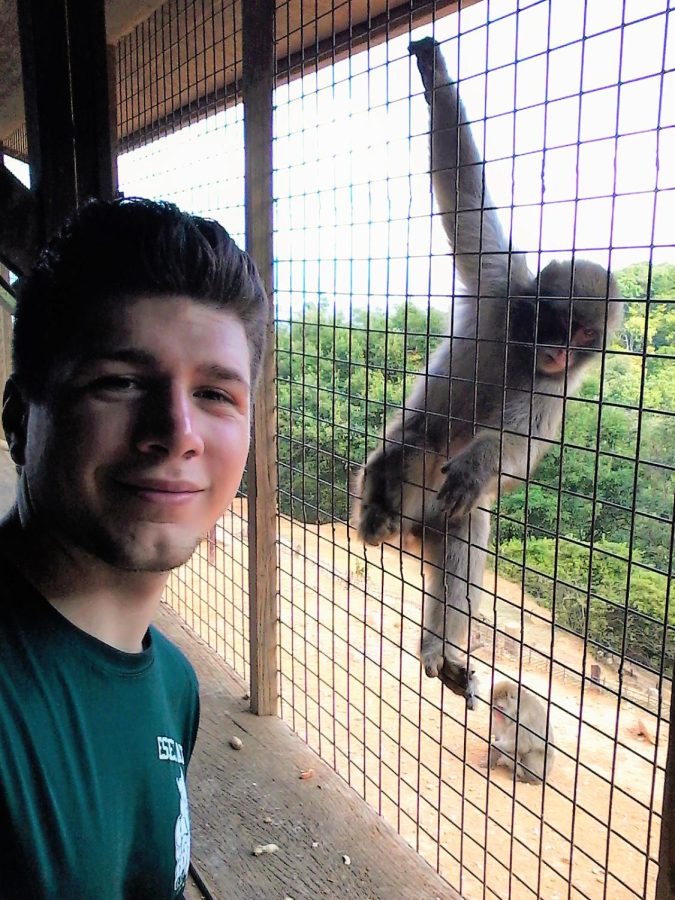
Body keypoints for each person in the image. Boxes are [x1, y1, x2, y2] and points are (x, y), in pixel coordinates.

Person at [0, 198, 268, 898]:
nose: (176, 431)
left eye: (214, 393)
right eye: (118, 382)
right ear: (19, 420)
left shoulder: (173, 684)